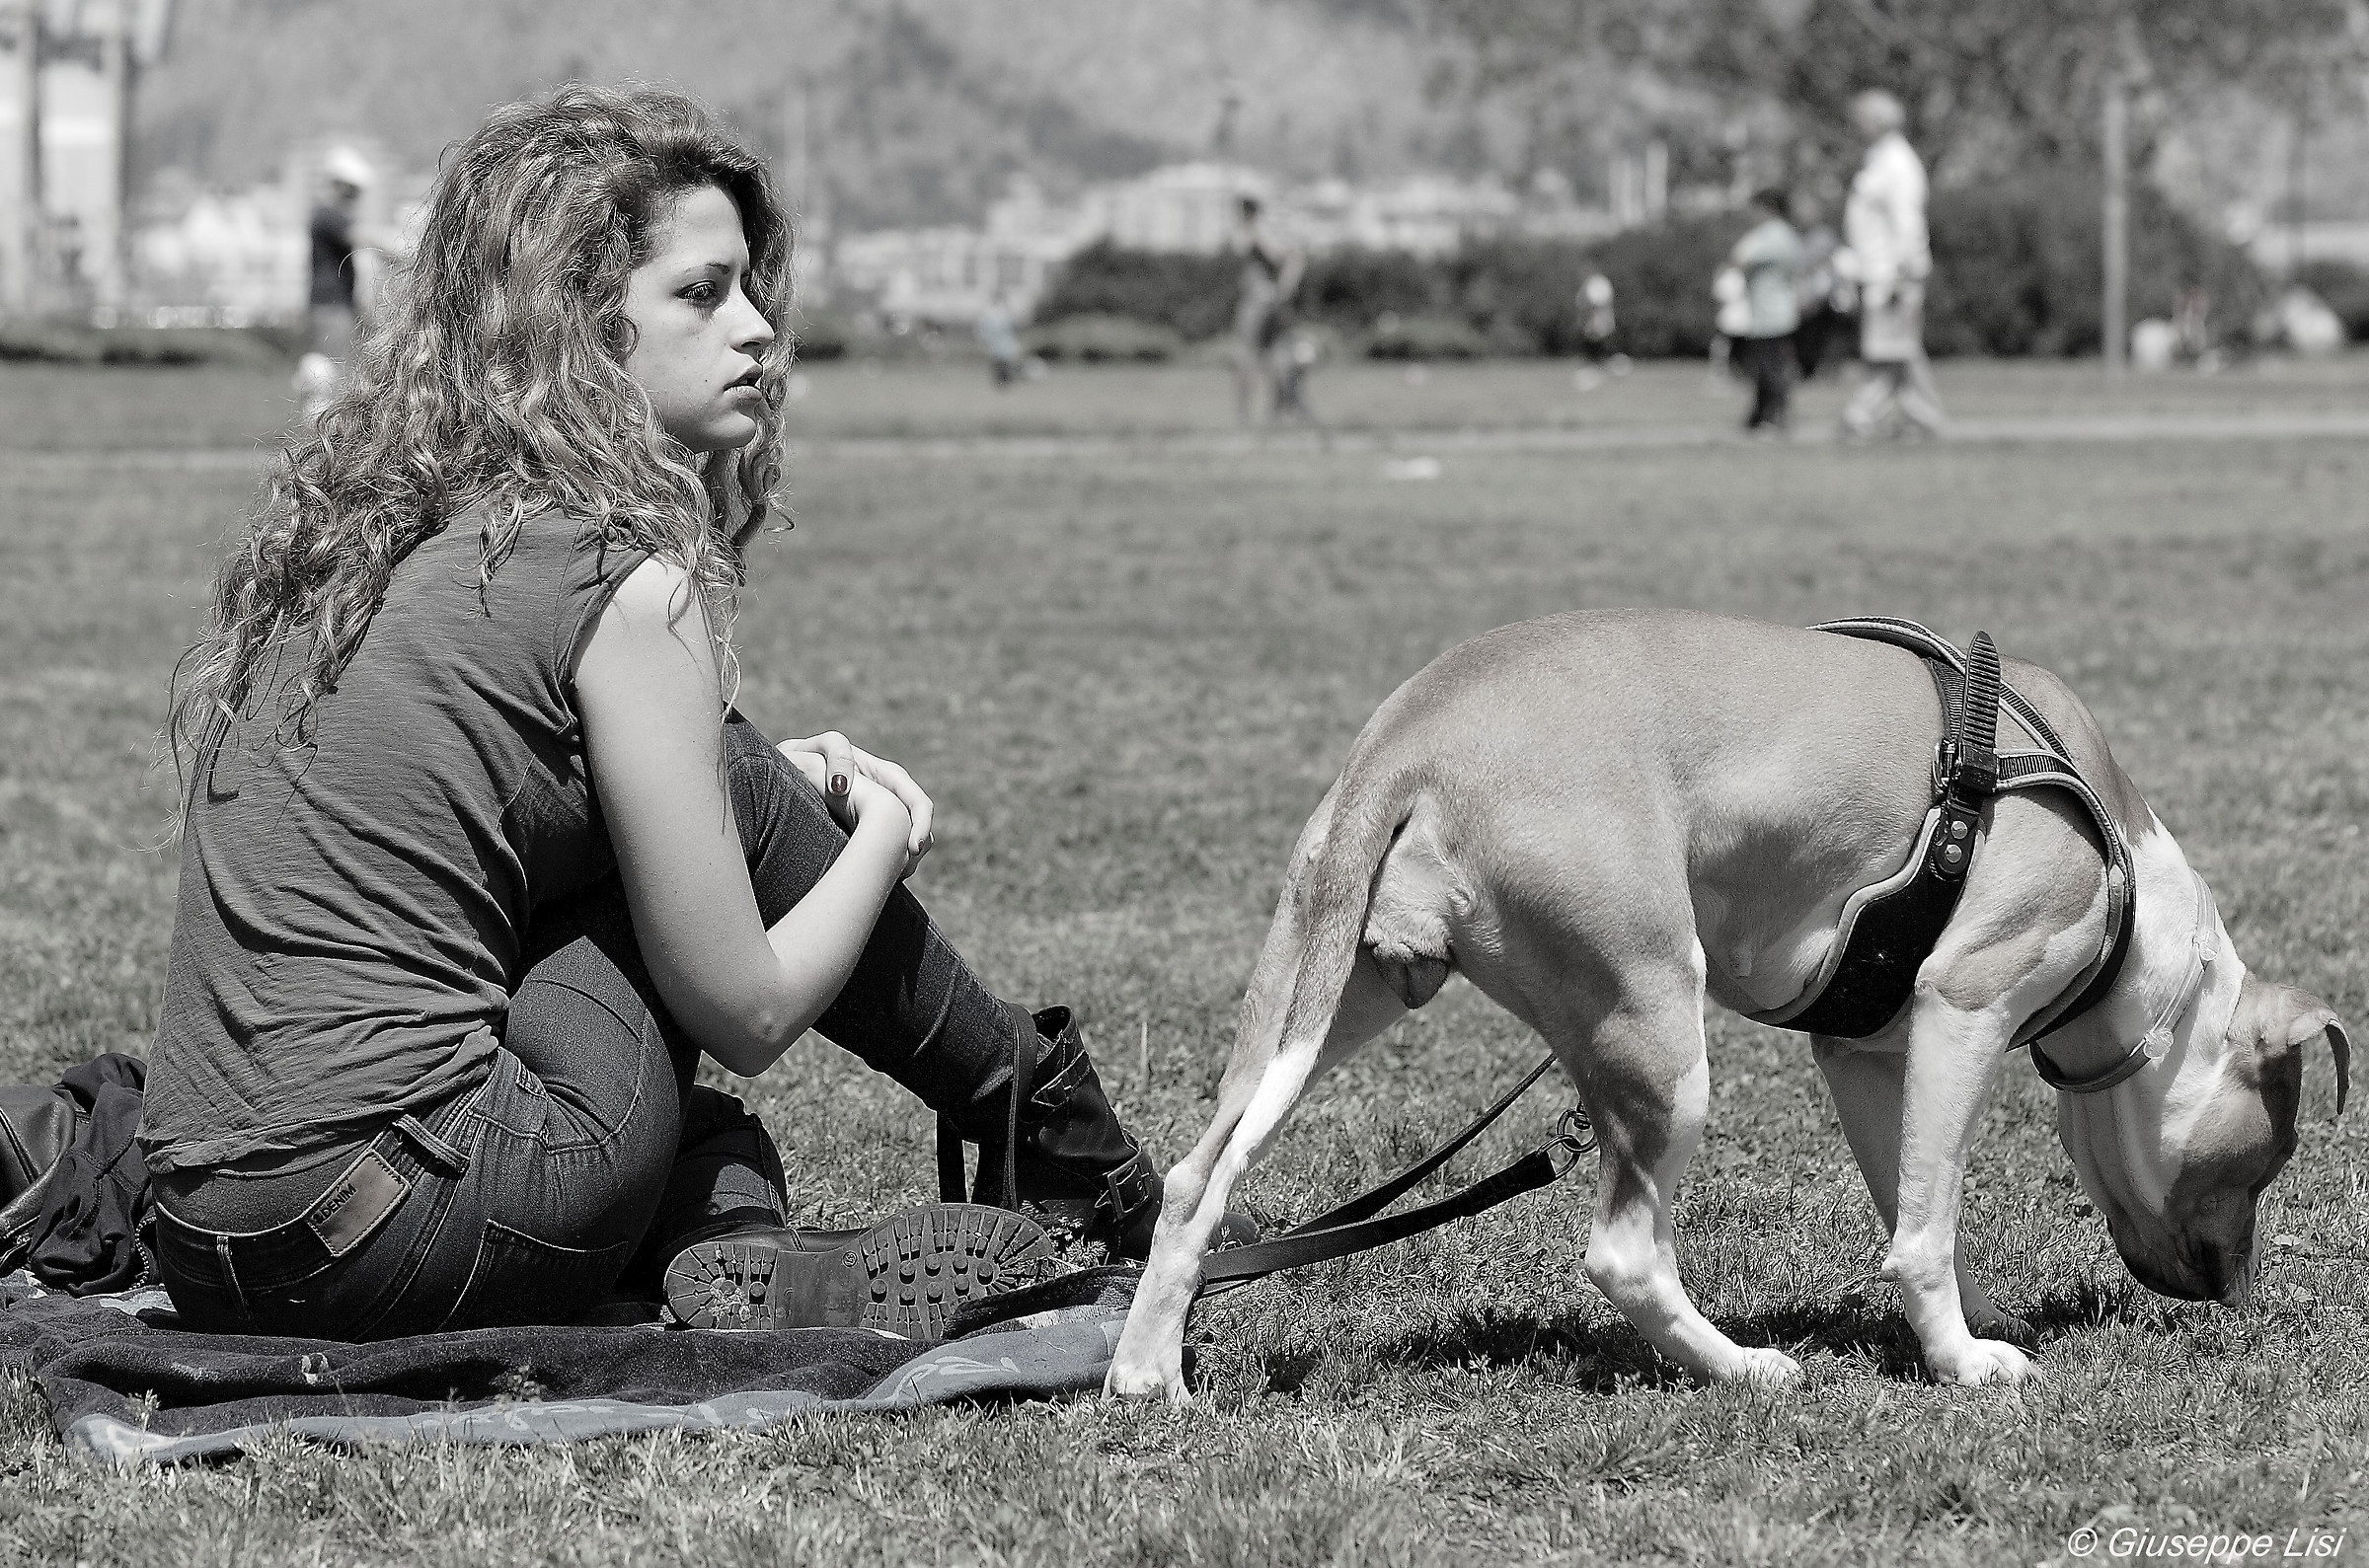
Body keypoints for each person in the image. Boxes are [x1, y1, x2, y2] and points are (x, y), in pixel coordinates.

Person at [140, 87, 1212, 1342]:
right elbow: (745, 1012)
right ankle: (1064, 1135)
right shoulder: (616, 581)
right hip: (400, 1224)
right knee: (736, 789)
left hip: (207, 1236)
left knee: (712, 954)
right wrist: (879, 834)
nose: (760, 329)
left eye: (752, 289)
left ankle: (734, 1225)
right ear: (580, 331)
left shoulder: (376, 545)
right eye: (702, 294)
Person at [1838, 90, 1945, 438]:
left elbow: (1907, 220)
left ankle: (1866, 414)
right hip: (1875, 269)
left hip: (1893, 271)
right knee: (1895, 348)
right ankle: (1921, 415)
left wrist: (1906, 268)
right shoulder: (1878, 159)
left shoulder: (1898, 163)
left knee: (1890, 349)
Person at [294, 147, 379, 421]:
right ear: (340, 185)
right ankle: (319, 432)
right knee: (327, 373)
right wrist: (405, 253)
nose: (356, 198)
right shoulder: (328, 216)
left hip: (332, 304)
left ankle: (319, 426)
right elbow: (363, 237)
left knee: (329, 371)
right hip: (332, 306)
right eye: (353, 190)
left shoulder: (325, 215)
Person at [1729, 187, 1803, 433]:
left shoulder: (1773, 234)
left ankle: (1773, 417)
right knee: (1766, 369)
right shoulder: (1787, 234)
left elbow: (1740, 256)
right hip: (1775, 311)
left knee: (1770, 369)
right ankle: (1760, 417)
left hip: (1771, 313)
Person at [1231, 194, 1304, 426]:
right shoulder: (1262, 230)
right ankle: (1275, 414)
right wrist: (1283, 292)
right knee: (1273, 359)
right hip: (1267, 301)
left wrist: (1282, 290)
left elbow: (1288, 258)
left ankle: (1247, 417)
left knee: (1247, 357)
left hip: (1258, 302)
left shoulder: (1256, 232)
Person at [975, 289, 1022, 386]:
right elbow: (983, 329)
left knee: (1004, 363)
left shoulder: (1003, 312)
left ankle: (1004, 382)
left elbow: (1013, 328)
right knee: (999, 364)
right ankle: (1002, 382)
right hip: (997, 343)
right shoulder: (992, 313)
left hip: (1004, 343)